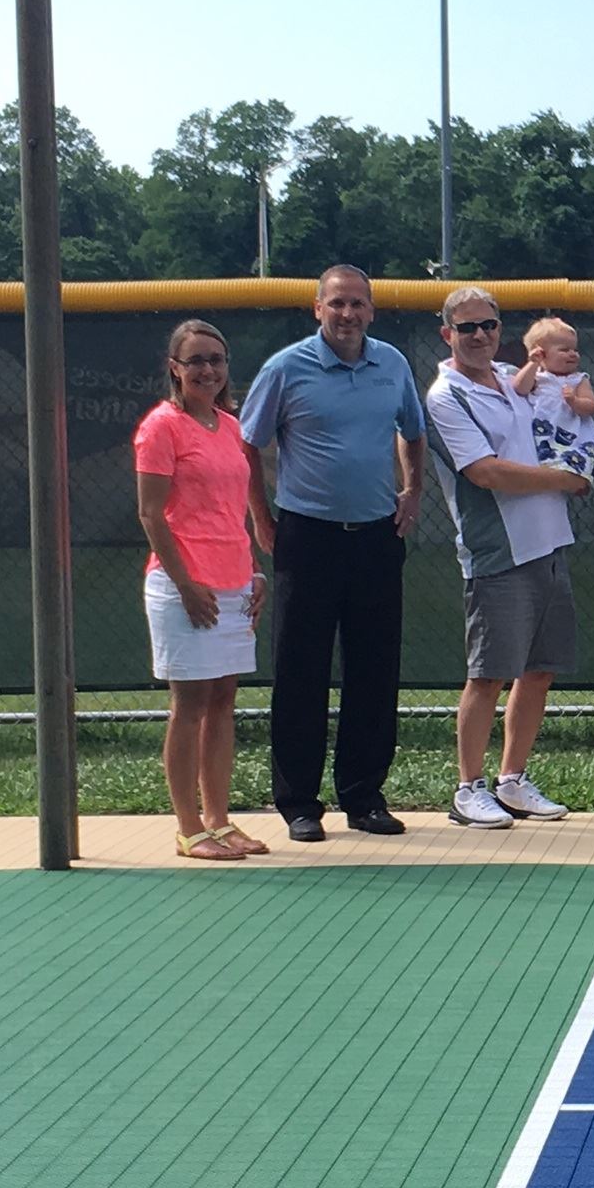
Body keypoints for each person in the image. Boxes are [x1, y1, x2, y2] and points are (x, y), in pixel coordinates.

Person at [241, 264, 426, 843]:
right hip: (307, 536)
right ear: (317, 309)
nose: (348, 315)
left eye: (358, 305)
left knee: (374, 669)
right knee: (301, 671)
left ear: (372, 310)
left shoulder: (391, 364)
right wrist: (262, 519)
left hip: (376, 536)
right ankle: (298, 801)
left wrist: (413, 491)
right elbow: (247, 446)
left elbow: (413, 431)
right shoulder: (285, 368)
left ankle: (364, 796)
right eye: (337, 304)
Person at [424, 288, 592, 828]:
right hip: (497, 552)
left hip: (550, 543)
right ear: (447, 332)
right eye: (467, 327)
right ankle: (467, 788)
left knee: (539, 671)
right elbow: (485, 472)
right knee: (489, 675)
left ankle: (512, 780)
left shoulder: (516, 376)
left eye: (489, 325)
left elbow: (567, 418)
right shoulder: (445, 396)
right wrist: (564, 479)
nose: (479, 335)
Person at [135, 320, 270, 860]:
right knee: (189, 704)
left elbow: (231, 511)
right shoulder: (160, 428)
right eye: (196, 361)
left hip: (234, 583)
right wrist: (186, 584)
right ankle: (189, 828)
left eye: (216, 359)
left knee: (223, 701)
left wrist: (252, 572)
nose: (207, 370)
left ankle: (219, 820)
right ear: (175, 368)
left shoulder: (230, 427)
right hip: (182, 587)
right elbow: (150, 514)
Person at [513, 316, 594, 482]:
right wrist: (532, 363)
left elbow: (591, 406)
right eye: (564, 350)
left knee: (575, 462)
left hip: (572, 436)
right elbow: (520, 388)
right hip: (542, 433)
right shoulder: (538, 377)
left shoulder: (578, 379)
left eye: (575, 350)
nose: (573, 354)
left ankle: (576, 475)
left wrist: (575, 401)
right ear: (540, 353)